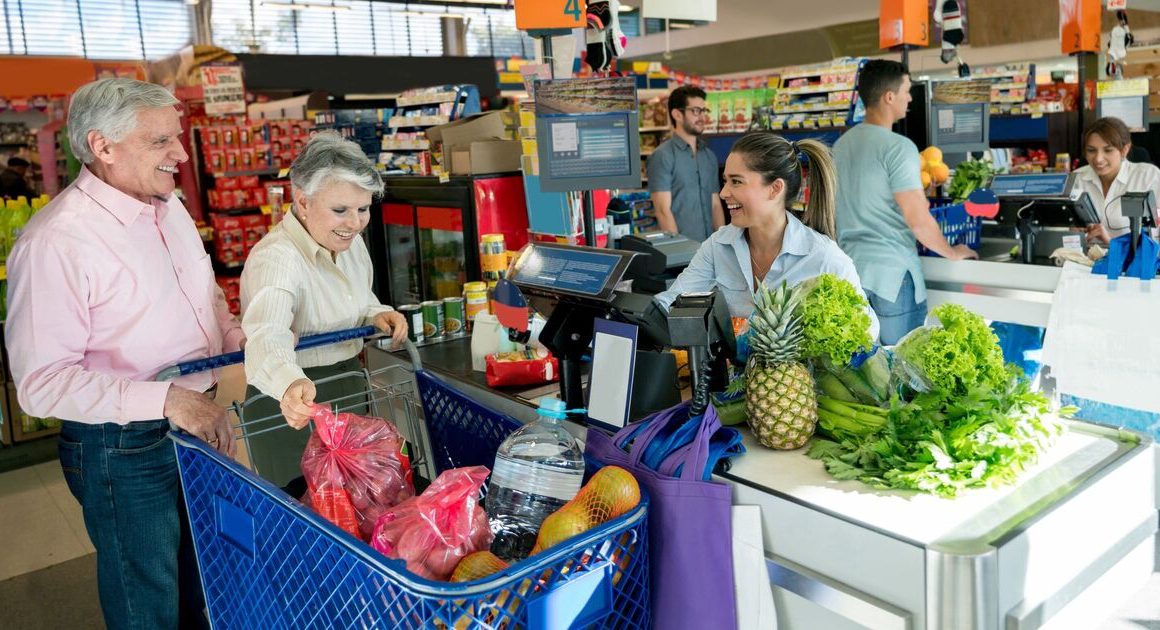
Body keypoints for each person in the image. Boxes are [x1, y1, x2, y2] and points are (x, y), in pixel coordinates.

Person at [5, 78, 242, 629]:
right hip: (122, 448)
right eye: (160, 141)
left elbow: (203, 294)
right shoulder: (55, 243)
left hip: (198, 424)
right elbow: (41, 382)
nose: (181, 154)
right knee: (147, 597)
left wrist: (233, 341)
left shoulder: (169, 206)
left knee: (203, 577)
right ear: (103, 147)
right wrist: (169, 401)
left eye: (177, 138)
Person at [240, 131, 408, 487]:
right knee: (305, 512)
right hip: (290, 403)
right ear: (302, 202)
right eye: (340, 210)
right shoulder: (277, 259)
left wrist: (374, 313)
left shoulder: (349, 243)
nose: (355, 222)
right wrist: (288, 385)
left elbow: (355, 298)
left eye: (363, 209)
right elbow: (266, 333)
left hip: (348, 382)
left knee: (357, 502)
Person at [655, 131, 879, 341]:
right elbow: (672, 301)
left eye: (736, 181)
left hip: (799, 381)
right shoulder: (718, 246)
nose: (723, 193)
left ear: (775, 189)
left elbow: (867, 332)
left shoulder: (824, 258)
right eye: (725, 181)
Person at [832, 60, 977, 345]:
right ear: (889, 96)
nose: (910, 98)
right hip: (893, 276)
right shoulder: (899, 147)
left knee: (866, 376)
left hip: (850, 274)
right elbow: (917, 219)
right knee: (902, 373)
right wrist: (951, 252)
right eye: (907, 91)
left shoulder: (840, 147)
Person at [647, 85, 725, 242]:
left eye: (704, 111)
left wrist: (721, 243)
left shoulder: (708, 156)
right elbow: (663, 210)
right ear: (677, 114)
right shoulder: (662, 156)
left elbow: (715, 204)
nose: (702, 117)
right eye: (696, 111)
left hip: (710, 249)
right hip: (684, 253)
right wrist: (679, 250)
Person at [1071, 116, 1160, 246]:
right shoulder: (1076, 178)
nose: (1098, 159)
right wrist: (1072, 232)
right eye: (1091, 150)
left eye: (1108, 150)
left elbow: (1155, 240)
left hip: (1135, 263)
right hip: (1085, 262)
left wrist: (1112, 244)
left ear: (1124, 150)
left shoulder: (1148, 177)